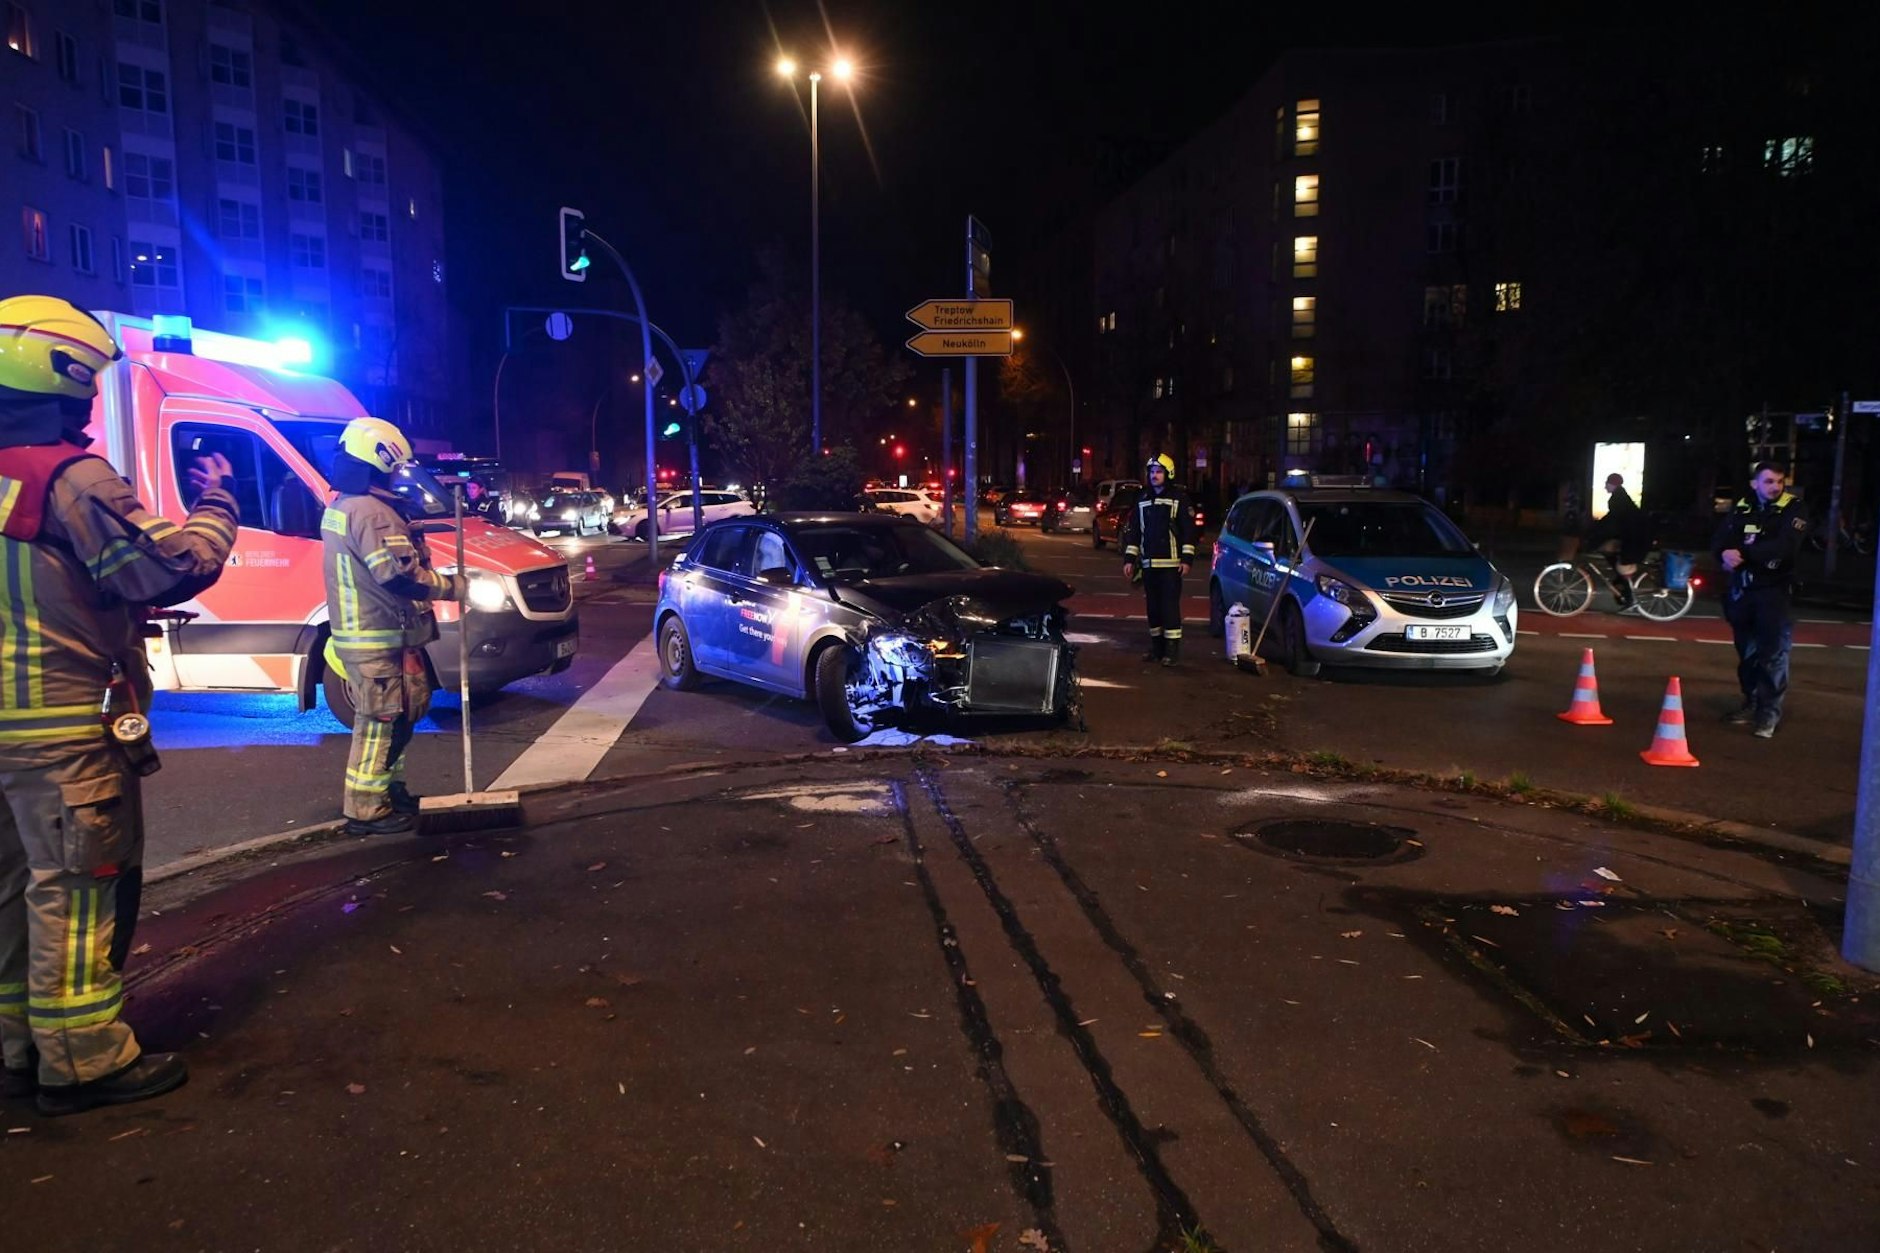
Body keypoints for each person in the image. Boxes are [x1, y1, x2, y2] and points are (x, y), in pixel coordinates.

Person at [0, 296, 238, 1115]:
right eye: (91, 376)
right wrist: (217, 506)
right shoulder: (68, 476)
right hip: (62, 731)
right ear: (60, 373)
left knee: (11, 891)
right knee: (78, 883)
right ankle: (85, 1057)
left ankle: (17, 1046)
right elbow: (169, 568)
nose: (94, 395)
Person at [321, 417, 465, 836]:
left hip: (370, 635)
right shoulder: (372, 512)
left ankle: (390, 792)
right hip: (378, 638)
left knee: (395, 719)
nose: (396, 474)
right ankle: (367, 810)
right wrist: (454, 587)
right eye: (394, 466)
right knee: (380, 724)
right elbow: (399, 576)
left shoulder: (346, 505)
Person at [1712, 462, 1807, 738]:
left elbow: (1786, 547)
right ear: (1755, 484)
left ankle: (1768, 715)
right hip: (1742, 592)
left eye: (1779, 481)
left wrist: (1741, 553)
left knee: (1773, 655)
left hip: (1774, 592)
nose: (1775, 487)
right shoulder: (1743, 506)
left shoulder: (1794, 508)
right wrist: (1723, 555)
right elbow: (1719, 539)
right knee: (1748, 654)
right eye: (1768, 482)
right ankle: (1750, 702)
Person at [1120, 453, 1198, 666]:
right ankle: (1157, 649)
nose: (1154, 476)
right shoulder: (1143, 499)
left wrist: (1186, 560)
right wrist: (1129, 559)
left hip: (1171, 566)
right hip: (1149, 565)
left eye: (1159, 472)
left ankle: (1171, 652)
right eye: (1152, 472)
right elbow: (1135, 532)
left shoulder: (1179, 499)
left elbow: (1189, 531)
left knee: (1169, 607)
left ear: (1168, 474)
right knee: (1153, 608)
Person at [1583, 473, 1652, 608]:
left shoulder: (1617, 500)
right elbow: (1611, 520)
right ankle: (1621, 584)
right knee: (1609, 551)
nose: (1605, 486)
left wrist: (1593, 533)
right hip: (1634, 536)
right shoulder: (1620, 498)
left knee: (1622, 566)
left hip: (1635, 539)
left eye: (1607, 483)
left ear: (1613, 484)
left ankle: (1630, 598)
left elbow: (1611, 522)